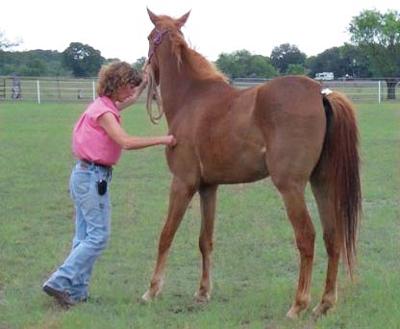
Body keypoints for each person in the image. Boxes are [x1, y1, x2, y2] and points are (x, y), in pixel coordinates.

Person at [42, 61, 176, 307]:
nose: (131, 90)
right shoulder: (104, 113)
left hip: (85, 176)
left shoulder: (104, 105)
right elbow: (125, 141)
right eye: (128, 85)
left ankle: (77, 291)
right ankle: (60, 280)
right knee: (98, 237)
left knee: (84, 236)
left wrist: (145, 79)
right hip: (92, 177)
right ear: (117, 84)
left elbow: (132, 98)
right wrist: (164, 139)